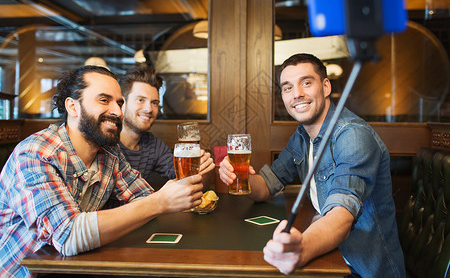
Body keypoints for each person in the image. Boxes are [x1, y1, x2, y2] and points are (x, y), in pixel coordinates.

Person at [0, 66, 203, 277]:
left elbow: (143, 198)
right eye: (104, 100)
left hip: (72, 270)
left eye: (119, 102)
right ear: (72, 107)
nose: (117, 111)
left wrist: (164, 199)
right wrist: (160, 202)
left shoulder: (108, 154)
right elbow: (69, 236)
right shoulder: (36, 153)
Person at [219, 53, 405, 277]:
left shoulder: (353, 135)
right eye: (287, 88)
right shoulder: (302, 136)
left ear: (325, 87)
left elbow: (342, 214)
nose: (297, 94)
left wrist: (301, 249)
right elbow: (268, 185)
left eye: (306, 83)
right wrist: (240, 178)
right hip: (329, 257)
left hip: (362, 269)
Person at [118, 66, 214, 187]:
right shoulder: (107, 143)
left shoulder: (153, 146)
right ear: (122, 103)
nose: (149, 109)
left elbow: (185, 181)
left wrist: (204, 169)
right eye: (140, 100)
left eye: (154, 103)